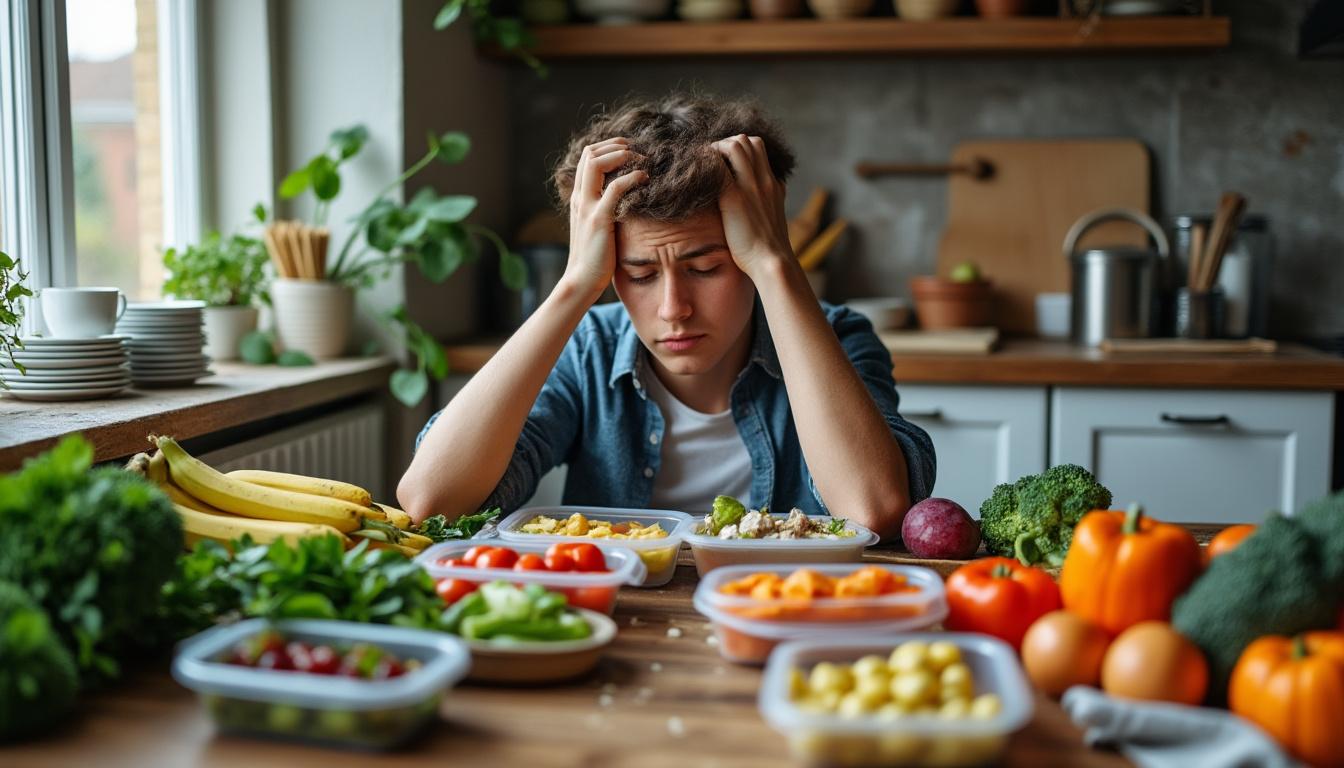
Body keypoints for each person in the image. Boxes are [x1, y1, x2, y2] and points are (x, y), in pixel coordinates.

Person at [398, 94, 935, 539]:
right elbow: (431, 501)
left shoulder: (839, 337)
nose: (674, 309)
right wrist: (573, 287)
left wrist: (776, 266)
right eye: (640, 275)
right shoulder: (588, 352)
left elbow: (874, 511)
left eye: (706, 268)